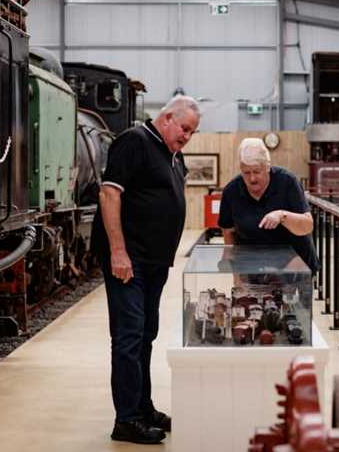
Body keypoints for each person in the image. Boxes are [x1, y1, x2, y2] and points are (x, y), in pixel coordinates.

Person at [91, 95, 200, 444]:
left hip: (153, 262)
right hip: (131, 260)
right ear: (167, 117)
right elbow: (110, 195)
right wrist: (118, 251)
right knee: (128, 335)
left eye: (192, 132)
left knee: (146, 334)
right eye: (184, 128)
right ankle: (126, 420)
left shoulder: (172, 154)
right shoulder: (135, 141)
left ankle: (142, 407)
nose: (187, 136)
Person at [217, 138, 320, 273]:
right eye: (246, 173)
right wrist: (236, 275)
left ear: (267, 167)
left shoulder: (288, 182)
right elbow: (228, 232)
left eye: (257, 171)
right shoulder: (231, 191)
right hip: (254, 265)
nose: (252, 179)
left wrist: (282, 215)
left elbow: (307, 226)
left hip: (295, 265)